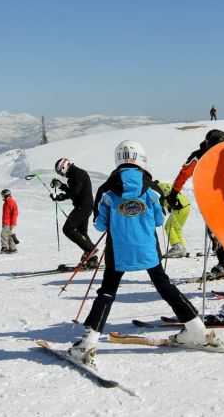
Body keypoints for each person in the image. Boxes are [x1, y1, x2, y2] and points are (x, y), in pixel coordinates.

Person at [68, 140, 215, 366]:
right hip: (148, 247)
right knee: (164, 285)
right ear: (141, 159)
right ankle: (196, 329)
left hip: (119, 250)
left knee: (107, 291)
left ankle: (88, 343)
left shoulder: (106, 189)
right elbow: (158, 219)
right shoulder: (152, 188)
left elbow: (99, 225)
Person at [168, 129, 224, 276]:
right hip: (212, 199)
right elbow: (185, 173)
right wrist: (174, 193)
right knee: (215, 231)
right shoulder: (199, 155)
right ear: (208, 145)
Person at [50, 158, 98, 266]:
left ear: (64, 167)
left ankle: (90, 249)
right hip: (84, 206)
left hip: (83, 206)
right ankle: (92, 258)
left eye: (60, 172)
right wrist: (61, 186)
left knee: (68, 229)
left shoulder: (78, 173)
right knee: (82, 232)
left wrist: (60, 196)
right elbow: (74, 191)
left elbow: (75, 192)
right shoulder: (73, 175)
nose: (61, 174)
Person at [156, 182, 190, 258]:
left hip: (179, 206)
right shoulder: (162, 185)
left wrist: (166, 203)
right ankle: (182, 249)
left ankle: (176, 248)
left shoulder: (158, 188)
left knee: (168, 226)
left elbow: (165, 194)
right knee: (176, 228)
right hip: (186, 205)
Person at [0, 189, 19, 254]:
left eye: (2, 195)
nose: (1, 196)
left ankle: (5, 248)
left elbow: (15, 213)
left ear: (6, 195)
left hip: (9, 223)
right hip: (6, 222)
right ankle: (13, 249)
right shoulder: (6, 203)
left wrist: (13, 223)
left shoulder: (11, 202)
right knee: (10, 235)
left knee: (3, 234)